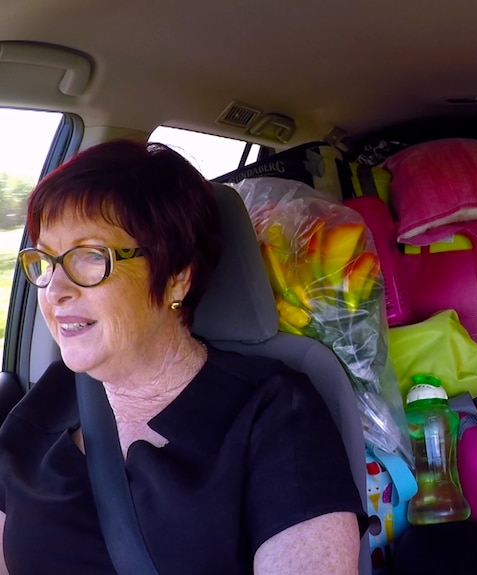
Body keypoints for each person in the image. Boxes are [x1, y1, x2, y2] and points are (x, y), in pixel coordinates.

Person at [0, 140, 366, 574]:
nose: (55, 290)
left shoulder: (274, 412)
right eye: (46, 259)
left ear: (177, 277)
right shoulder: (49, 397)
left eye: (90, 257)